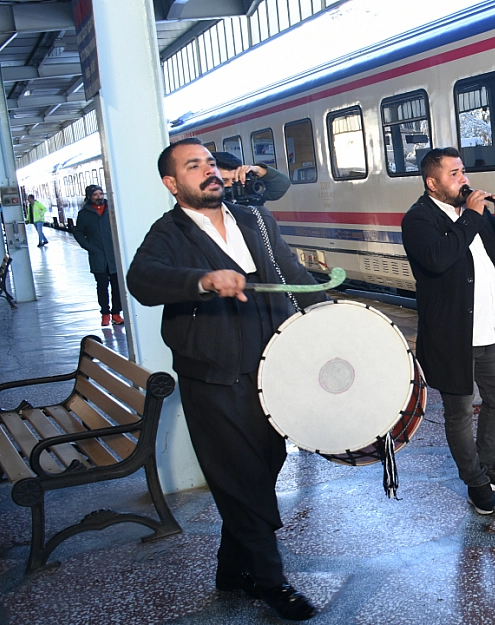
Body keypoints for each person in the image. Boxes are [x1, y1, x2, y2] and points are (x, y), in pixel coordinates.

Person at [127, 138, 324, 621]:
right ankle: (271, 581)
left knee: (267, 460)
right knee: (240, 474)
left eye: (211, 163)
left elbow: (292, 273)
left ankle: (230, 569)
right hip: (213, 374)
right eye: (193, 166)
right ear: (172, 184)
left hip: (274, 365)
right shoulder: (169, 232)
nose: (208, 171)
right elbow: (141, 280)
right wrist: (203, 279)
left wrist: (328, 315)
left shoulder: (255, 219)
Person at [401, 147, 495, 516]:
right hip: (452, 337)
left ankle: (486, 466)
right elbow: (439, 258)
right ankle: (475, 482)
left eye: (463, 171)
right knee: (458, 414)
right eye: (454, 173)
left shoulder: (472, 213)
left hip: (489, 331)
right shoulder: (418, 219)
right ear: (432, 183)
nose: (463, 179)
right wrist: (471, 215)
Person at [73, 185, 123, 326]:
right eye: (95, 194)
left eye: (101, 193)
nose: (99, 196)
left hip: (113, 255)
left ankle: (116, 313)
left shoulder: (111, 210)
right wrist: (89, 247)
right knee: (102, 286)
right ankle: (105, 314)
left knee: (117, 285)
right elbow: (78, 232)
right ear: (89, 196)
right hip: (98, 256)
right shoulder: (84, 214)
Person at [212, 151, 292, 204]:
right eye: (224, 181)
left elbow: (282, 184)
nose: (230, 185)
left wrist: (258, 170)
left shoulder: (247, 194)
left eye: (235, 180)